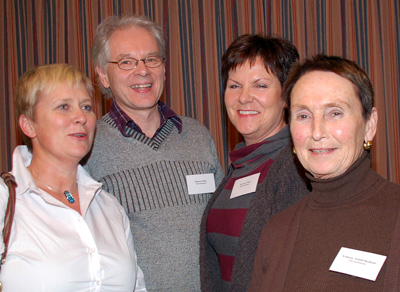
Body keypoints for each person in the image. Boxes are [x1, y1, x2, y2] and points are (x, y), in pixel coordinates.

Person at [84, 15, 224, 291]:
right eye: (126, 62)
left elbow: (220, 226)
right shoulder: (88, 147)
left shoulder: (197, 136)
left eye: (152, 59)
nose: (143, 71)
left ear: (163, 68)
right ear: (103, 75)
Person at [249, 55, 400, 291]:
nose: (317, 132)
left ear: (369, 125)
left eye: (335, 113)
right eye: (304, 116)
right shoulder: (276, 230)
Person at [0, 64, 146, 291]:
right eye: (63, 106)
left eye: (86, 106)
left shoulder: (109, 207)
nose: (81, 117)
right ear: (29, 125)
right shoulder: (6, 201)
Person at [199, 34, 310, 292]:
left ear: (286, 96)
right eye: (234, 85)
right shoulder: (240, 165)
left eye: (260, 85)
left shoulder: (295, 168)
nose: (244, 97)